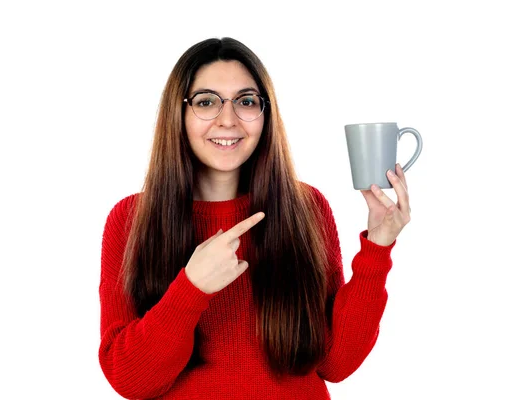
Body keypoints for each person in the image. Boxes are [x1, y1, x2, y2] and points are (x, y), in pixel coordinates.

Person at [99, 37, 412, 400]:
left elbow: (337, 363)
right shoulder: (130, 220)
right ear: (179, 114)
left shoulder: (306, 207)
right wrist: (190, 288)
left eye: (246, 102)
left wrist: (378, 245)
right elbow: (130, 380)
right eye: (206, 102)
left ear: (266, 114)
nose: (228, 120)